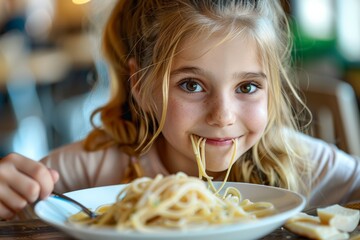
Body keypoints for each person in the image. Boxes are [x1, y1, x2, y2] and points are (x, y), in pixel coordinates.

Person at [0, 0, 359, 220]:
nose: (223, 115)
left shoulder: (302, 165)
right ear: (140, 86)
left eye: (247, 87)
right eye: (191, 85)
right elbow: (21, 211)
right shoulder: (88, 170)